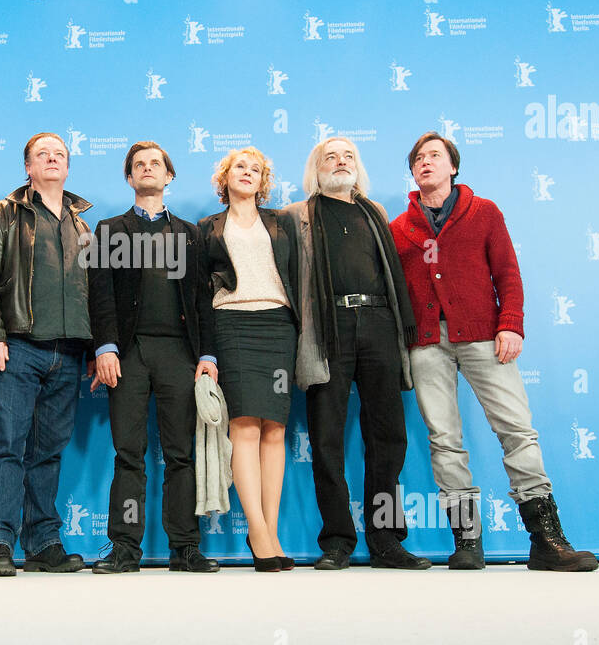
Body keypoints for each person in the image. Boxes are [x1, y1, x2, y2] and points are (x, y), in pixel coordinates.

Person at [390, 132, 598, 571]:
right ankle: (467, 542)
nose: (425, 163)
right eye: (418, 159)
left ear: (453, 167)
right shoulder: (399, 229)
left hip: (485, 336)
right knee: (444, 441)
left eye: (435, 156)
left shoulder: (483, 212)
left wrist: (511, 325)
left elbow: (507, 273)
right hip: (427, 344)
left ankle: (547, 541)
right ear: (412, 172)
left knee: (517, 431)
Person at [286, 137, 429, 570]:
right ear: (317, 169)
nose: (340, 161)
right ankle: (336, 542)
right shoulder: (297, 216)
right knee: (326, 437)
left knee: (388, 437)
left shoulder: (375, 212)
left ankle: (386, 541)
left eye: (348, 155)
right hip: (327, 333)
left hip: (380, 325)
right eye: (330, 156)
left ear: (358, 166)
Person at [87, 142, 220, 574]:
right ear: (130, 178)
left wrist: (207, 355)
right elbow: (101, 296)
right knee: (129, 453)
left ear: (169, 177)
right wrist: (105, 348)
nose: (147, 169)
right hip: (127, 354)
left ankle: (184, 547)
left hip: (178, 353)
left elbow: (202, 299)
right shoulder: (110, 231)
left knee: (181, 453)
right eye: (139, 165)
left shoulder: (189, 234)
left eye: (156, 164)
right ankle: (125, 547)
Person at [0, 132, 94, 577]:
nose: (52, 158)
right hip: (18, 346)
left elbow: (91, 294)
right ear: (28, 166)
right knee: (7, 444)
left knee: (49, 451)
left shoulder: (82, 225)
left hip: (70, 352)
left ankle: (43, 542)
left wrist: (95, 350)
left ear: (68, 165)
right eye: (43, 153)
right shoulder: (3, 214)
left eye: (60, 154)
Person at [197, 147, 300, 571]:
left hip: (278, 326)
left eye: (255, 169)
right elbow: (200, 292)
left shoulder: (282, 223)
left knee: (275, 429)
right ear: (225, 178)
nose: (247, 173)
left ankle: (271, 532)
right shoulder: (208, 228)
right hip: (232, 326)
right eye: (240, 166)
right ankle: (256, 532)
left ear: (263, 182)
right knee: (244, 428)